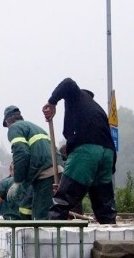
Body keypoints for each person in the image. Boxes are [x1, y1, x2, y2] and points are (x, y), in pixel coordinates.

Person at [42, 78, 117, 224]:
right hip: (107, 154)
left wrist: (52, 102)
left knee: (61, 202)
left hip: (85, 151)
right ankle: (110, 240)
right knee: (105, 210)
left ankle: (49, 241)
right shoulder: (97, 109)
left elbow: (68, 83)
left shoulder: (76, 96)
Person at [2, 105, 55, 220]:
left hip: (44, 175)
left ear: (8, 121)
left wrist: (17, 181)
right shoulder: (35, 127)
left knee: (42, 219)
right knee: (54, 215)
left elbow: (22, 153)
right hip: (57, 171)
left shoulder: (14, 128)